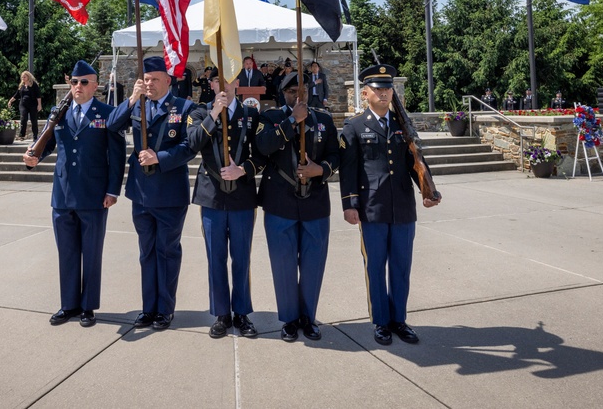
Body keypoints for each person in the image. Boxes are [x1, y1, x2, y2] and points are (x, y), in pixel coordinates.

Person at [339, 63, 441, 346]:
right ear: (365, 93)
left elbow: (413, 163)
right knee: (375, 268)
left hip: (403, 208)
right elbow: (349, 170)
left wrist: (427, 190)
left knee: (401, 267)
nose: (384, 93)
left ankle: (399, 320)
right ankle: (381, 322)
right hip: (372, 209)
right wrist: (350, 204)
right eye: (378, 89)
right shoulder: (355, 126)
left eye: (387, 89)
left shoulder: (401, 127)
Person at [24, 61, 126, 328]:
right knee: (67, 253)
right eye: (74, 82)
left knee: (91, 253)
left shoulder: (108, 113)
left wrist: (112, 190)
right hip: (63, 194)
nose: (77, 87)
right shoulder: (59, 113)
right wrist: (33, 156)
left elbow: (116, 156)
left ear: (95, 86)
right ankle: (68, 304)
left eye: (83, 82)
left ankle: (88, 307)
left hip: (93, 194)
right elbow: (49, 144)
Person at [108, 56, 197, 331]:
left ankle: (165, 310)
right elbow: (112, 126)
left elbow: (189, 147)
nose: (150, 84)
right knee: (146, 252)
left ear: (168, 81)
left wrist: (160, 156)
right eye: (146, 79)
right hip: (141, 192)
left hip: (170, 193)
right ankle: (148, 309)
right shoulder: (138, 105)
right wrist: (132, 99)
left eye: (155, 79)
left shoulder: (184, 107)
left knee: (167, 251)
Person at [255, 70, 339, 342]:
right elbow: (264, 146)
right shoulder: (270, 118)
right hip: (280, 203)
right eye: (291, 91)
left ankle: (308, 317)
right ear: (283, 93)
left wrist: (320, 170)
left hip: (315, 202)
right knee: (284, 265)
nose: (297, 95)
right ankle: (290, 319)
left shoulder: (324, 119)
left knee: (314, 264)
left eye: (301, 90)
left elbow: (336, 155)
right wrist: (292, 121)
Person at [187, 67, 264, 339]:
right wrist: (212, 115)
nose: (225, 84)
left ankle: (242, 313)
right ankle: (221, 313)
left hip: (242, 196)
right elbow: (193, 143)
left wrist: (244, 169)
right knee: (216, 258)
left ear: (237, 83)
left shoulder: (251, 114)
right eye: (219, 79)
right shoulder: (199, 112)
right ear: (212, 83)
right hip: (212, 195)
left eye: (230, 79)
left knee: (241, 257)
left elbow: (263, 153)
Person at [8, 71, 43, 142]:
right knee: (23, 118)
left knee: (34, 120)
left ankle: (35, 136)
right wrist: (10, 101)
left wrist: (39, 105)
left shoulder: (34, 85)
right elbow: (17, 94)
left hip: (33, 104)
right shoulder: (21, 85)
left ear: (28, 77)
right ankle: (22, 135)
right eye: (22, 77)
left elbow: (38, 95)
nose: (23, 78)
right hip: (23, 104)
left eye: (24, 77)